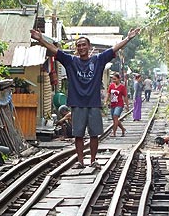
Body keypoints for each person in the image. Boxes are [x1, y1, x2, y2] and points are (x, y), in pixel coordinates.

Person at [30, 27, 140, 169]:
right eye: (79, 45)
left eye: (84, 45)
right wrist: (40, 39)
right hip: (77, 103)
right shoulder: (70, 61)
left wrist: (128, 38)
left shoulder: (98, 60)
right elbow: (55, 50)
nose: (81, 47)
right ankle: (80, 161)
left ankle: (93, 160)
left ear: (89, 47)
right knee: (78, 135)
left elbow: (114, 49)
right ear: (76, 48)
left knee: (94, 135)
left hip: (93, 103)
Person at [104, 73, 129, 137]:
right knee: (115, 119)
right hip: (113, 104)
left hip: (119, 104)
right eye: (113, 79)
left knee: (115, 116)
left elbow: (125, 96)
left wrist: (127, 105)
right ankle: (123, 129)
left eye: (115, 79)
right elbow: (108, 94)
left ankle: (114, 132)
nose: (114, 80)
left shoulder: (122, 87)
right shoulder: (111, 86)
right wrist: (105, 101)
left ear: (119, 79)